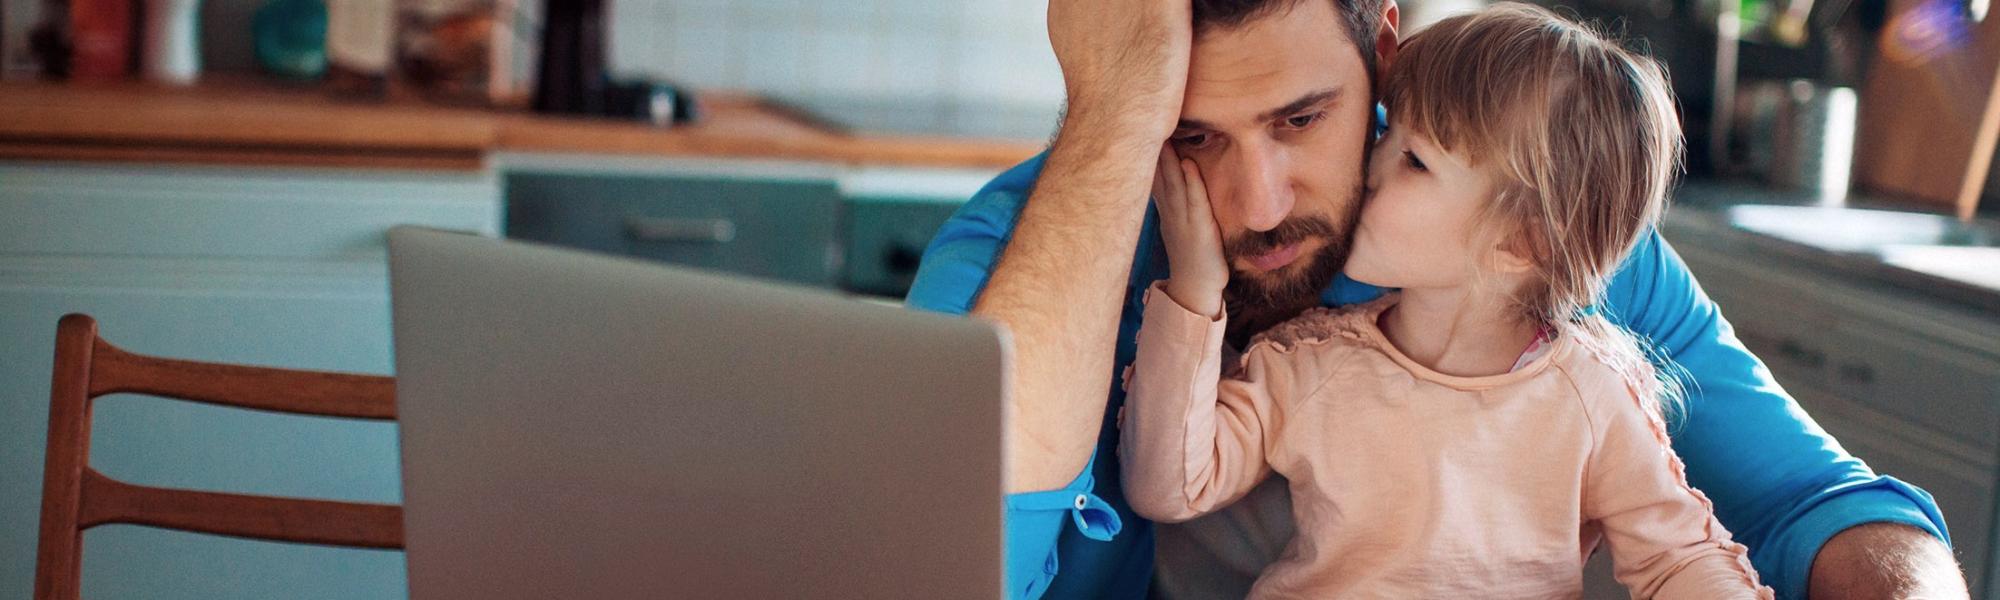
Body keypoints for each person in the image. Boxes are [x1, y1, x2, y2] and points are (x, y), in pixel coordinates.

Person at [905, 0, 1961, 597]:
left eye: (1299, 120)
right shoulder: (1020, 247)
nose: (1255, 203)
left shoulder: (1528, 247)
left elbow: (1809, 503)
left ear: (1386, 52)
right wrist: (1112, 114)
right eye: (1186, 138)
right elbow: (932, 570)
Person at [1121, 5, 1769, 597]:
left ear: (1522, 240)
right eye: (1389, 138)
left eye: (1414, 161)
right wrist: (1194, 290)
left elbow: (1679, 558)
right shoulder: (1307, 362)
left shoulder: (1594, 396)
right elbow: (1168, 486)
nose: (1373, 166)